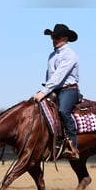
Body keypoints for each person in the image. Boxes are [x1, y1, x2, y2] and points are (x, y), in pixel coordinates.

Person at [34, 24, 80, 160]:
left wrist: (43, 92)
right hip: (54, 89)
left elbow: (59, 76)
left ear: (65, 38)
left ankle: (73, 146)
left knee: (63, 111)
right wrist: (46, 88)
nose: (53, 39)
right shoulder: (52, 55)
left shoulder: (70, 55)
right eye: (53, 37)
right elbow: (50, 76)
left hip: (69, 90)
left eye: (57, 37)